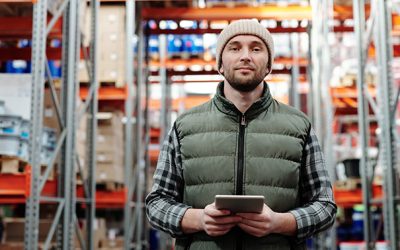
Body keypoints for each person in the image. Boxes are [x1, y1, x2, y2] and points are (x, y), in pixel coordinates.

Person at [145, 19, 337, 250]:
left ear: (268, 65)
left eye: (256, 48)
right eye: (234, 48)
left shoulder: (299, 126)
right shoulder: (185, 126)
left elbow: (325, 206)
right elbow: (156, 204)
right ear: (220, 64)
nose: (245, 56)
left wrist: (280, 223)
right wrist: (198, 219)